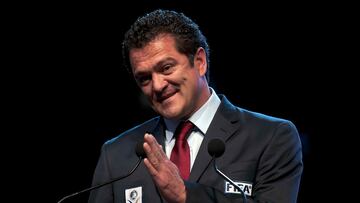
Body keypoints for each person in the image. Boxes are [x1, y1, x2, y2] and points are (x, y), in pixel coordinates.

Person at [88, 9, 303, 203]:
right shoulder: (116, 155)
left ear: (199, 62)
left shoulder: (270, 137)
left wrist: (185, 195)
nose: (157, 85)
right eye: (144, 78)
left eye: (167, 67)